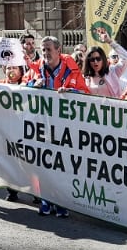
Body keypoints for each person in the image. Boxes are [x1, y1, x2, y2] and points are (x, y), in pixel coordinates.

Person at [28, 36, 88, 217]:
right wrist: (32, 84)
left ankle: (61, 202)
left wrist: (72, 92)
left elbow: (85, 93)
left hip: (65, 128)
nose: (45, 53)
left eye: (48, 49)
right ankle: (46, 201)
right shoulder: (37, 66)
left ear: (58, 49)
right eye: (43, 49)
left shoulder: (71, 67)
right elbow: (23, 88)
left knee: (62, 165)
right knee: (44, 163)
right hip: (42, 126)